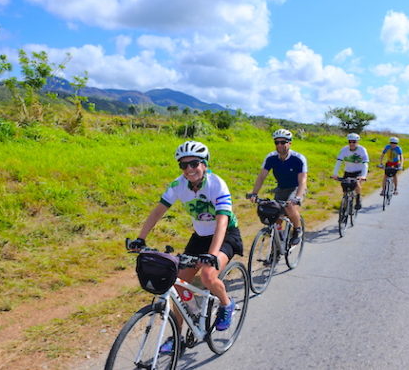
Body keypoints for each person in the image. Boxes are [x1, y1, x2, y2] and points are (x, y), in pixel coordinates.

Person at [132, 140, 243, 353]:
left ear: (205, 164)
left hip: (226, 234)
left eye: (194, 163)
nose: (189, 169)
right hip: (200, 236)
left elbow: (221, 219)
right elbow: (158, 211)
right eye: (184, 165)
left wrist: (211, 254)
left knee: (209, 276)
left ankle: (227, 304)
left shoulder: (216, 184)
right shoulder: (178, 185)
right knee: (179, 283)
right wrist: (141, 238)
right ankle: (180, 335)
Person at [248, 129, 308, 246]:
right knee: (275, 217)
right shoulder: (271, 158)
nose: (279, 145)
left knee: (290, 207)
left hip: (296, 188)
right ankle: (277, 247)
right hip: (281, 188)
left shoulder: (298, 158)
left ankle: (297, 230)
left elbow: (302, 181)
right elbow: (261, 177)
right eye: (277, 142)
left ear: (290, 143)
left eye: (283, 142)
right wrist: (254, 193)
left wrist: (298, 197)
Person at [331, 133, 369, 210]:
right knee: (345, 188)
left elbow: (365, 163)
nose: (351, 144)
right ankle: (345, 205)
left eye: (354, 142)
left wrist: (363, 176)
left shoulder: (362, 150)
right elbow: (338, 162)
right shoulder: (344, 149)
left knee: (357, 184)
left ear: (357, 142)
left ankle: (358, 200)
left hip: (358, 171)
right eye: (350, 142)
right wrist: (335, 174)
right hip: (348, 171)